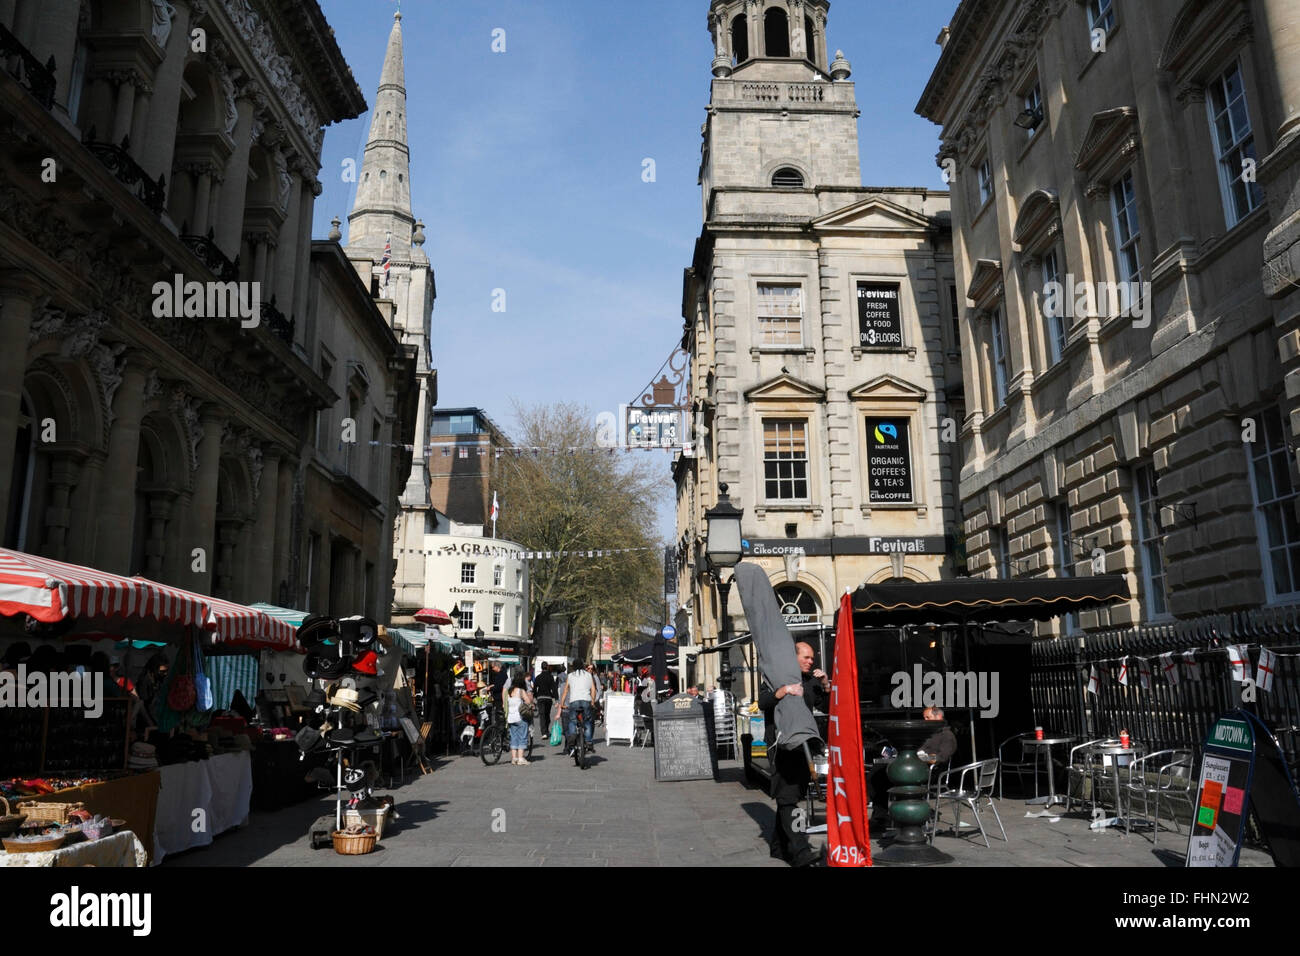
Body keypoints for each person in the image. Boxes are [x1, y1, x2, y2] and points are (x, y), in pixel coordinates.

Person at [758, 641, 829, 867]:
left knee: (790, 796)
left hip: (803, 746)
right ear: (793, 657)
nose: (810, 662)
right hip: (782, 746)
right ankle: (800, 852)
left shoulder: (810, 681)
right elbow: (763, 702)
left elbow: (826, 707)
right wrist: (784, 691)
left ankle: (779, 847)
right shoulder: (776, 676)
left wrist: (826, 685)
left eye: (812, 659)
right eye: (806, 657)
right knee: (787, 797)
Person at [557, 659, 596, 752]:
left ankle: (572, 736)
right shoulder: (588, 675)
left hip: (574, 701)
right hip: (586, 700)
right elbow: (593, 690)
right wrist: (593, 702)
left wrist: (561, 704)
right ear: (583, 666)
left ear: (573, 667)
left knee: (572, 721)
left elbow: (566, 690)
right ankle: (589, 741)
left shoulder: (570, 676)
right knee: (587, 721)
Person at [507, 676, 534, 766]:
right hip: (520, 717)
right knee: (522, 737)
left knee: (513, 737)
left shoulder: (509, 691)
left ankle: (514, 758)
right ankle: (521, 758)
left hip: (511, 718)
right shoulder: (521, 691)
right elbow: (528, 701)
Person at [533, 664, 557, 734]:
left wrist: (536, 696)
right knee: (547, 714)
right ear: (547, 667)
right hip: (548, 698)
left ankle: (544, 732)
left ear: (541, 667)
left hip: (540, 698)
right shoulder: (550, 677)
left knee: (542, 715)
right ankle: (546, 729)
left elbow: (534, 689)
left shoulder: (538, 677)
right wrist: (556, 699)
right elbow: (554, 688)